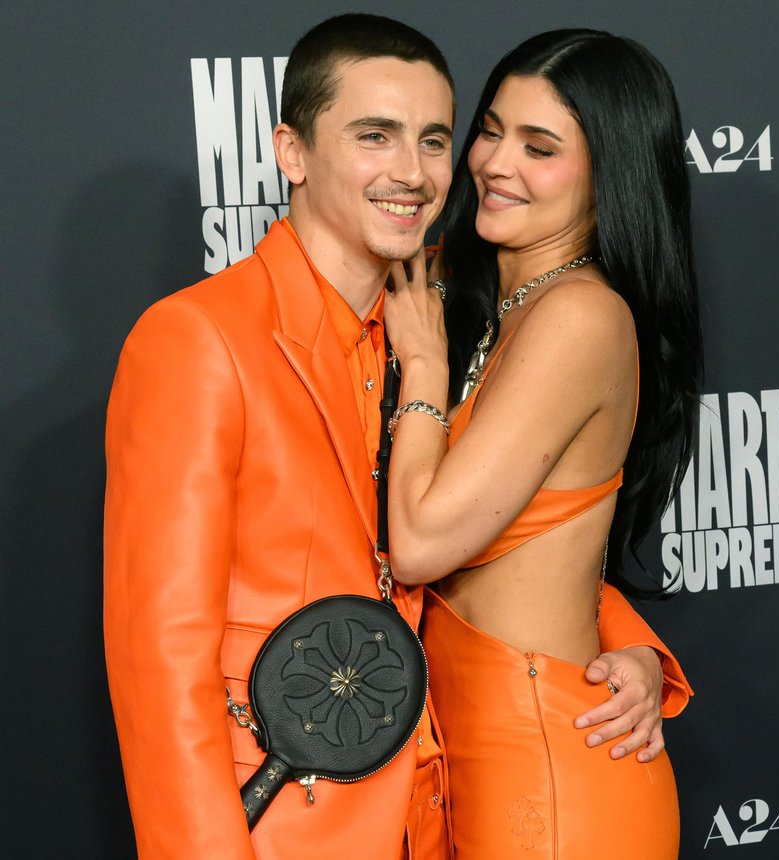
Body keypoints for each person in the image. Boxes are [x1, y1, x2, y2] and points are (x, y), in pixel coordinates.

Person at [104, 15, 691, 860]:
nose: (415, 174)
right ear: (293, 152)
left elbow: (521, 529)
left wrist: (623, 642)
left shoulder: (433, 324)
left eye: (434, 140)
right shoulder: (200, 340)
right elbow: (159, 667)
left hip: (439, 806)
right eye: (375, 137)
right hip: (284, 820)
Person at [384, 28, 701, 860]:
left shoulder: (580, 316)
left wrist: (422, 365)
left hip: (546, 770)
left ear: (611, 173)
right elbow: (548, 542)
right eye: (490, 129)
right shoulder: (478, 291)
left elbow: (418, 542)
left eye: (541, 147)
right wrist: (632, 644)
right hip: (462, 747)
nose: (494, 163)